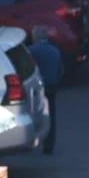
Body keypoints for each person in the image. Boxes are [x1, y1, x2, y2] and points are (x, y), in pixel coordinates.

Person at [29, 26, 64, 154]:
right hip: (52, 86)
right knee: (52, 115)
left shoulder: (31, 51)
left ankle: (32, 141)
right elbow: (61, 70)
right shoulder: (54, 50)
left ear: (36, 37)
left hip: (38, 87)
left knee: (35, 114)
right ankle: (50, 144)